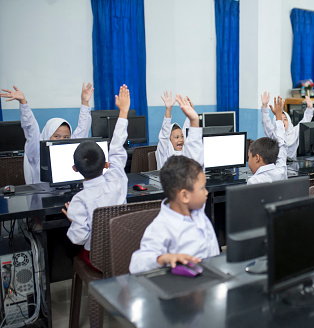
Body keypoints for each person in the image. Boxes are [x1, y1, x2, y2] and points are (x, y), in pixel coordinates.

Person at [129, 95, 219, 274]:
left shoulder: (196, 211)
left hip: (210, 277)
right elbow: (136, 264)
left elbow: (196, 158)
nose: (207, 193)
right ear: (184, 195)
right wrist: (163, 258)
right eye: (202, 189)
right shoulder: (163, 225)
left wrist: (194, 121)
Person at [62, 84, 130, 270]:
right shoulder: (118, 180)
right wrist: (123, 111)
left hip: (98, 259)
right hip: (123, 252)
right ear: (106, 165)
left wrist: (73, 219)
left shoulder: (79, 201)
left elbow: (79, 238)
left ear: (75, 169)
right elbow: (117, 148)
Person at [0, 83, 94, 184]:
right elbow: (31, 128)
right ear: (47, 136)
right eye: (56, 136)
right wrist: (23, 103)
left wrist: (85, 102)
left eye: (66, 137)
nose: (62, 140)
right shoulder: (37, 151)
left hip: (69, 197)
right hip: (42, 198)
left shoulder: (70, 149)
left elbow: (82, 130)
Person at [261, 91, 314, 159]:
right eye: (280, 120)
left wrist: (309, 108)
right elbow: (266, 123)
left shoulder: (294, 131)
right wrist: (264, 106)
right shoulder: (273, 133)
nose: (283, 122)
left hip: (293, 165)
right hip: (278, 166)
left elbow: (305, 121)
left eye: (285, 119)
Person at [247, 96, 287, 185]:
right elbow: (282, 146)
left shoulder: (253, 181)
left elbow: (282, 146)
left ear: (257, 158)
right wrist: (279, 117)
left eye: (249, 157)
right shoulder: (281, 171)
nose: (248, 162)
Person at [155, 90, 191, 169]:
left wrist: (190, 113)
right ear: (169, 140)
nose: (181, 139)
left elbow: (187, 129)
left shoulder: (184, 152)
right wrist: (168, 109)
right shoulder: (165, 152)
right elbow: (165, 134)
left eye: (182, 136)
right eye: (176, 137)